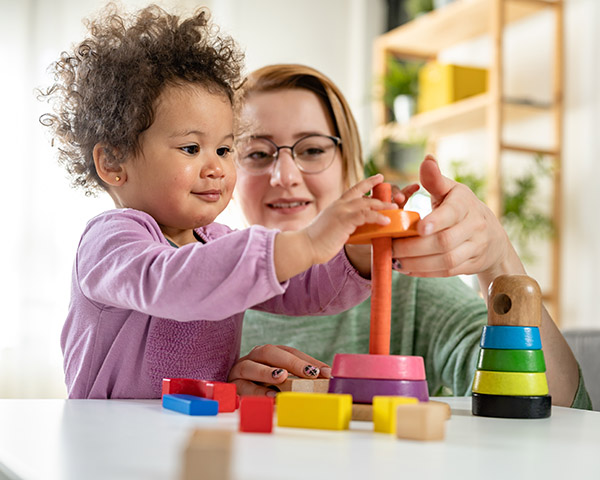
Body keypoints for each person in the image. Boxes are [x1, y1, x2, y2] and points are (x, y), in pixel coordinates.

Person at [38, 6, 398, 399]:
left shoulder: (218, 241)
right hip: (111, 437)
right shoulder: (111, 241)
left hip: (197, 431)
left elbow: (302, 287)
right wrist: (307, 242)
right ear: (113, 162)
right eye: (191, 148)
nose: (217, 168)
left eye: (226, 149)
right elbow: (175, 281)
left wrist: (357, 254)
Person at [229, 64, 592, 409]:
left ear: (347, 164)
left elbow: (555, 408)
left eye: (312, 150)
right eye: (257, 153)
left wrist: (499, 262)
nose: (285, 175)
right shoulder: (195, 286)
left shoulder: (407, 286)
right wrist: (215, 392)